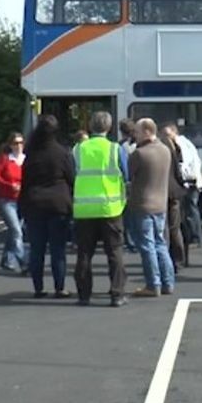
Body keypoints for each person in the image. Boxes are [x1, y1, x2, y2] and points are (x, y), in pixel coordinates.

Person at [72, 111, 130, 307]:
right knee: (114, 253)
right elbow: (126, 174)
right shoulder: (115, 149)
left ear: (90, 127)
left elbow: (72, 174)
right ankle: (117, 294)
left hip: (84, 209)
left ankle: (84, 295)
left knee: (84, 253)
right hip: (110, 208)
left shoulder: (78, 149)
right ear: (109, 127)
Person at [19, 115, 75, 299]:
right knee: (58, 250)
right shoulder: (62, 153)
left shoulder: (31, 154)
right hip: (58, 204)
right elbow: (71, 178)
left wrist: (22, 206)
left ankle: (39, 288)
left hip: (35, 203)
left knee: (37, 249)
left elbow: (25, 182)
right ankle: (60, 287)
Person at [128, 118, 175, 298]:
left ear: (147, 131)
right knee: (160, 244)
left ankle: (153, 284)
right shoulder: (165, 150)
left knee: (147, 245)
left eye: (137, 132)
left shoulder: (139, 154)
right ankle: (168, 283)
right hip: (161, 204)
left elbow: (129, 175)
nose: (135, 135)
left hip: (142, 204)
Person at [162, 123, 202, 257]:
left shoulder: (182, 145)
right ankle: (192, 238)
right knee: (187, 212)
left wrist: (184, 179)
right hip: (187, 182)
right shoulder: (179, 144)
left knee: (190, 210)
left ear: (175, 133)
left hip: (189, 182)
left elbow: (184, 164)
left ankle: (195, 238)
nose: (166, 137)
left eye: (168, 134)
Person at [0, 132, 28, 274]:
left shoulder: (26, 159)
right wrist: (9, 184)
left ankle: (6, 260)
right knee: (17, 231)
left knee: (14, 232)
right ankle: (24, 262)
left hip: (22, 200)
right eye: (15, 143)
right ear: (10, 145)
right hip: (6, 200)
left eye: (21, 143)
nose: (19, 146)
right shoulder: (5, 159)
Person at [161, 128, 187, 272]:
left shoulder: (161, 150)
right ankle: (179, 260)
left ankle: (166, 261)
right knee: (175, 228)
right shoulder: (176, 149)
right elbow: (178, 172)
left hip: (163, 191)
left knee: (164, 228)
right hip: (175, 191)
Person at [118, 118, 140, 253]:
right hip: (139, 181)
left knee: (127, 215)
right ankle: (136, 241)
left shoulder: (121, 146)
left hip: (127, 182)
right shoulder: (140, 143)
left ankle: (130, 241)